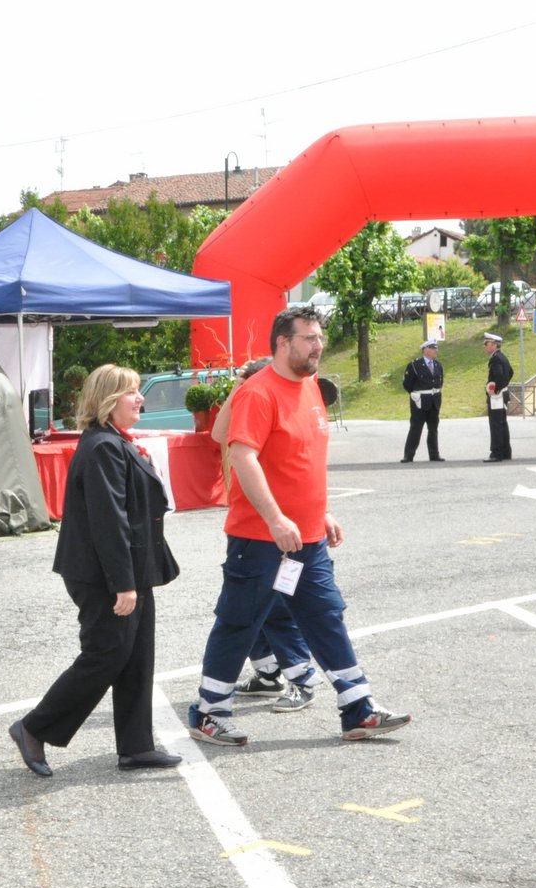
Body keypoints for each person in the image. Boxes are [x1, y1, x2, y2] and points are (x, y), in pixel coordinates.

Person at [189, 305, 411, 745]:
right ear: (283, 343)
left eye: (319, 337)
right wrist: (274, 518)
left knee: (326, 617)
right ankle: (208, 712)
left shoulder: (310, 387)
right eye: (309, 338)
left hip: (307, 539)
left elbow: (303, 460)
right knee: (240, 623)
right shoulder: (258, 392)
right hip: (259, 540)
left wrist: (320, 512)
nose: (318, 345)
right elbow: (241, 455)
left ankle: (358, 709)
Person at [8, 364, 182, 777]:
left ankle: (136, 747)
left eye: (139, 390)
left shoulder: (115, 441)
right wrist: (123, 585)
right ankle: (34, 728)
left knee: (137, 656)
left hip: (131, 568)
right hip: (104, 573)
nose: (139, 398)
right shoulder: (103, 446)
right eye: (130, 392)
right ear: (107, 401)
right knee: (106, 655)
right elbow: (109, 523)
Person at [212, 357, 322, 713]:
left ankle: (301, 676)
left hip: (276, 527)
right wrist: (241, 385)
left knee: (275, 606)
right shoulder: (253, 399)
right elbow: (218, 434)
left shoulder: (282, 399)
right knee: (249, 608)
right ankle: (268, 670)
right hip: (252, 524)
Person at [401, 339, 445, 462]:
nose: (436, 350)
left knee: (433, 429)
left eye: (436, 348)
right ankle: (408, 455)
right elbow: (407, 384)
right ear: (425, 350)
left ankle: (434, 454)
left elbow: (440, 382)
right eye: (433, 348)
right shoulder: (414, 366)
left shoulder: (438, 365)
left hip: (434, 401)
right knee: (416, 428)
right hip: (419, 402)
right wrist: (415, 394)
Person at [483, 331, 514, 462]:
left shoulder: (496, 359)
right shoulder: (502, 357)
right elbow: (511, 372)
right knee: (502, 424)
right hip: (503, 394)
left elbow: (499, 375)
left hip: (497, 396)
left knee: (496, 424)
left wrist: (494, 389)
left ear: (494, 345)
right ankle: (506, 451)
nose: (485, 346)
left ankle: (496, 453)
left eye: (487, 343)